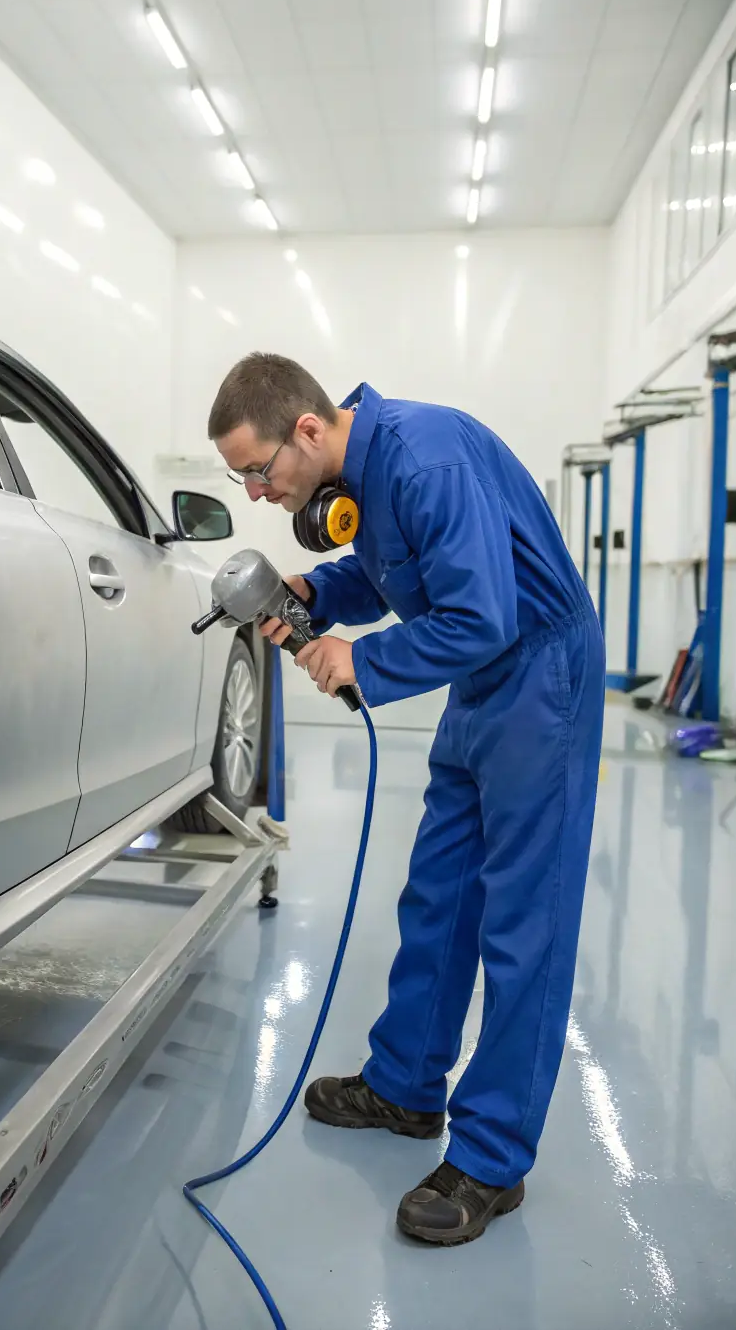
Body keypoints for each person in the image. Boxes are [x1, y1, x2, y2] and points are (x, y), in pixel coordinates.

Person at [207, 353, 605, 1246]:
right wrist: (315, 590)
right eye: (240, 478)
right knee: (439, 895)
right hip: (480, 688)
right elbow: (393, 571)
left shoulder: (423, 458)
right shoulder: (368, 467)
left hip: (539, 674)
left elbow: (482, 616)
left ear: (307, 430)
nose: (258, 492)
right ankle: (407, 1086)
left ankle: (494, 1160)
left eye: (260, 472)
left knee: (522, 922)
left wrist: (362, 661)